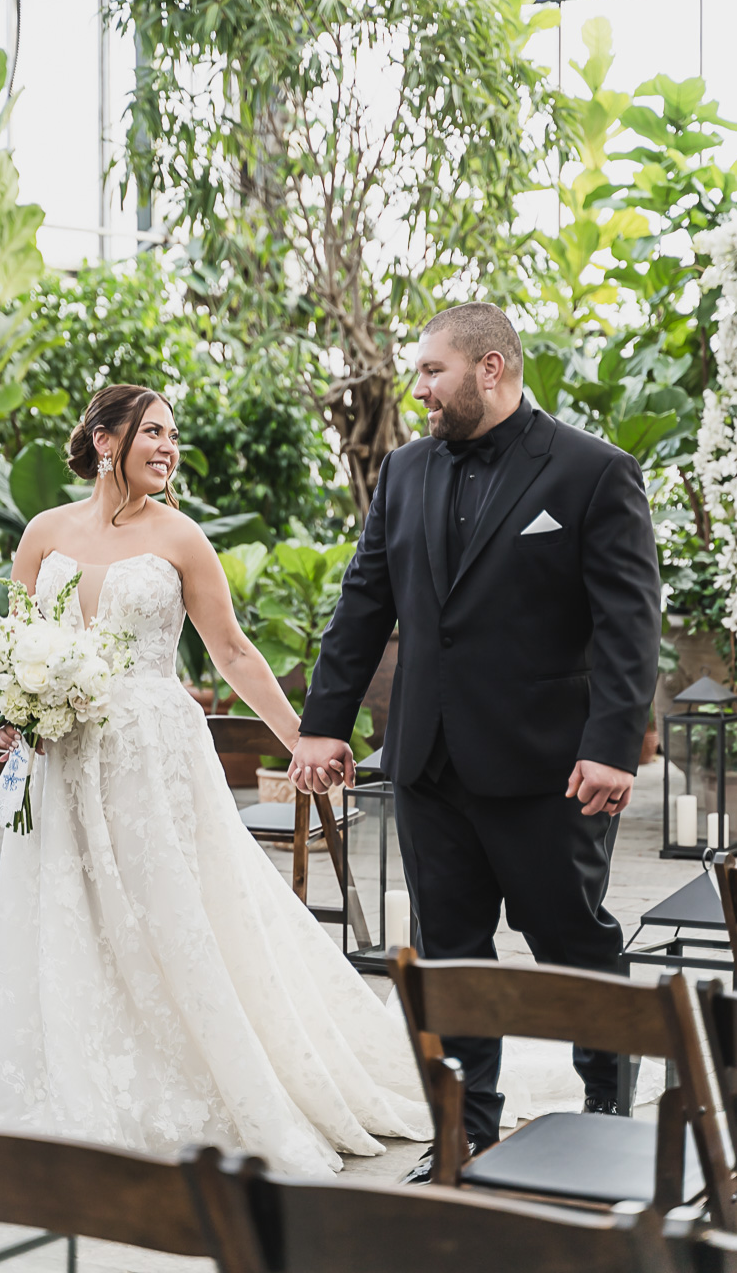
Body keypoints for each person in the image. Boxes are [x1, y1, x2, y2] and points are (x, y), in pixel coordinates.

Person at [0, 382, 430, 1176]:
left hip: (151, 761)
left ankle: (224, 1081)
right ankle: (87, 1086)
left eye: (172, 435)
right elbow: (17, 638)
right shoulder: (44, 532)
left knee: (173, 918)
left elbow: (231, 652)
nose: (167, 447)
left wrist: (304, 739)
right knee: (74, 917)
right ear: (107, 440)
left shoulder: (182, 537)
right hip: (62, 761)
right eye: (152, 432)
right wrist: (19, 707)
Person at [290, 303, 661, 1182]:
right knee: (450, 957)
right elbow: (362, 606)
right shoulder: (407, 471)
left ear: (490, 368)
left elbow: (627, 624)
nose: (417, 389)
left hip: (548, 770)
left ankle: (607, 1116)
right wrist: (321, 727)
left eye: (431, 372)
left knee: (574, 945)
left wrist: (614, 744)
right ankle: (465, 1130)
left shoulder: (592, 473)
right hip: (426, 765)